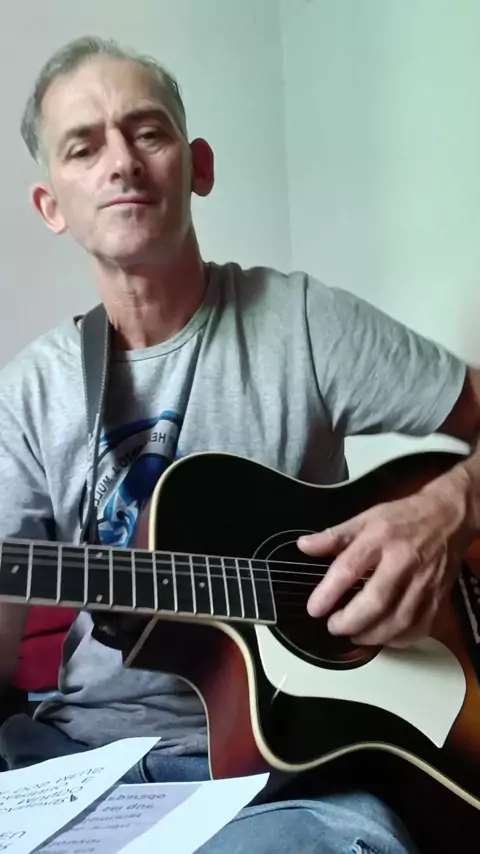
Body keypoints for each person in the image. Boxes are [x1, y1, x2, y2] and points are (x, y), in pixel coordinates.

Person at [0, 35, 479, 854]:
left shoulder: (303, 322)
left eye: (147, 132)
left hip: (291, 775)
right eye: (83, 147)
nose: (122, 162)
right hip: (80, 760)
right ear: (52, 205)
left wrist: (446, 509)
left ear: (199, 166)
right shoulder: (29, 394)